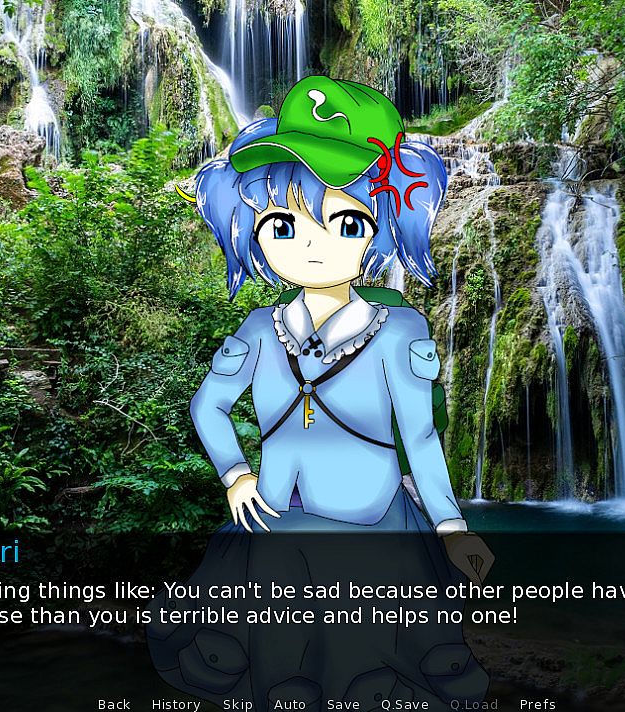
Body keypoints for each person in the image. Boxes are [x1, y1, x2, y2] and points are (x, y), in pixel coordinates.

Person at [147, 76, 494, 711]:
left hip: (371, 532)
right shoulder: (260, 329)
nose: (312, 244)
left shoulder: (399, 331)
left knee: (366, 678)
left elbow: (419, 435)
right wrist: (235, 476)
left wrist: (451, 526)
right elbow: (209, 405)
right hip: (274, 531)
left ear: (383, 229)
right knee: (280, 679)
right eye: (282, 225)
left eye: (347, 222)